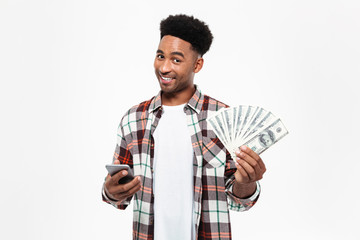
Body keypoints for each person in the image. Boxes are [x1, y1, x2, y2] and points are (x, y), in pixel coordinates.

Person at [102, 14, 266, 240]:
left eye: (176, 60)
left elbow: (240, 201)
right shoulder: (133, 119)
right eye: (160, 56)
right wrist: (111, 191)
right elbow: (118, 195)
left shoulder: (224, 118)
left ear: (197, 64)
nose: (164, 67)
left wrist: (247, 183)